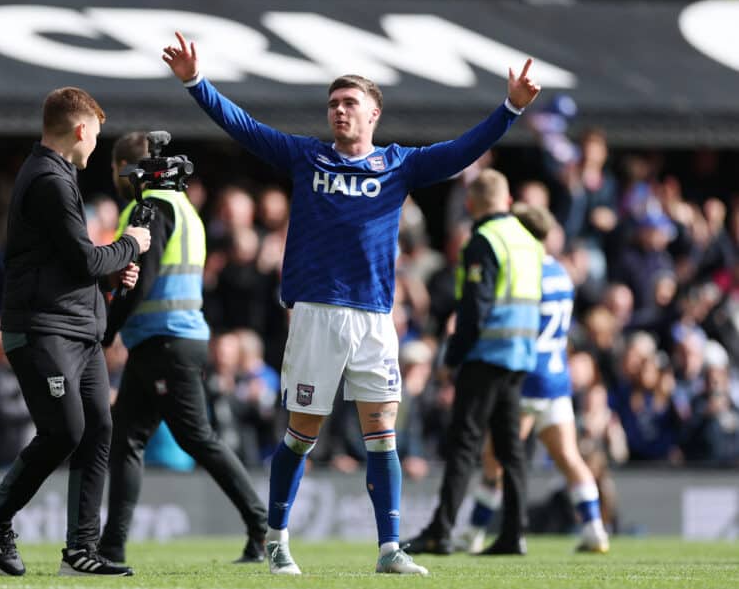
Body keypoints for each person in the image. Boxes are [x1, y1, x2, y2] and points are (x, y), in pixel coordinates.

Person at [162, 32, 541, 575]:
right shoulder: (305, 155)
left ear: (374, 116)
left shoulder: (401, 165)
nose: (338, 112)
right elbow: (243, 127)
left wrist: (509, 109)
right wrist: (197, 84)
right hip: (318, 312)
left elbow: (463, 151)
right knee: (304, 432)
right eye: (333, 104)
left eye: (349, 104)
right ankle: (276, 539)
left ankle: (389, 548)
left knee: (381, 430)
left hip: (375, 317)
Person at [0, 87, 151, 577]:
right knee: (64, 430)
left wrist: (112, 270)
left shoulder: (58, 175)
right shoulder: (49, 178)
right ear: (82, 130)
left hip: (76, 328)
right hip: (43, 329)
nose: (94, 148)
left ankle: (80, 551)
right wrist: (128, 245)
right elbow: (84, 257)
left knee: (97, 430)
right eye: (96, 136)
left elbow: (74, 263)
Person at [97, 131, 268, 565]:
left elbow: (141, 280)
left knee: (194, 438)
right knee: (130, 440)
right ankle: (111, 548)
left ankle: (263, 526)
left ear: (126, 169)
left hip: (164, 341)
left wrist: (107, 330)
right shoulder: (184, 208)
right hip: (169, 339)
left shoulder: (148, 209)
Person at [448, 203, 610, 554]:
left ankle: (473, 532)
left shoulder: (526, 270)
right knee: (569, 457)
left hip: (524, 375)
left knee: (495, 459)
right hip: (556, 376)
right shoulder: (562, 274)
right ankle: (595, 527)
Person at [404, 169, 544, 556]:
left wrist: (452, 357)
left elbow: (474, 309)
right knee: (510, 450)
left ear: (470, 204)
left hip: (486, 355)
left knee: (464, 445)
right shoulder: (528, 241)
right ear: (509, 200)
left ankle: (441, 530)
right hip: (519, 356)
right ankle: (514, 532)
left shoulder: (483, 241)